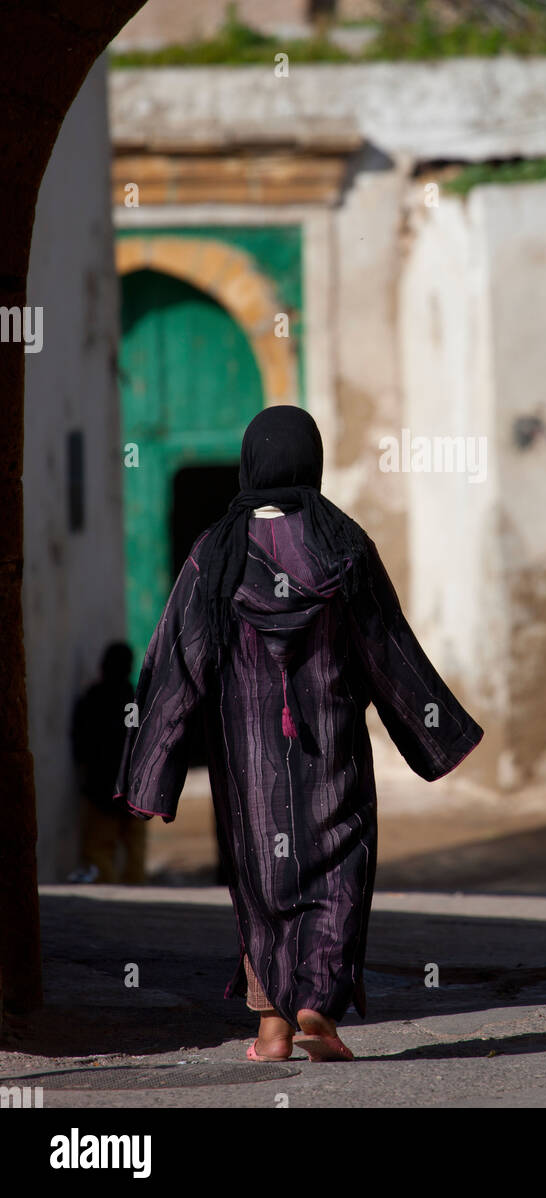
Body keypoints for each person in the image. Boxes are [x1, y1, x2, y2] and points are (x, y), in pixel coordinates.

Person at [114, 406, 484, 1062]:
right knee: (339, 868)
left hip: (247, 760)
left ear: (251, 462)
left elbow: (176, 662)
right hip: (332, 748)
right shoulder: (343, 545)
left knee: (264, 884)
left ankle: (271, 1030)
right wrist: (437, 731)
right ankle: (317, 1004)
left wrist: (152, 770)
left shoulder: (216, 554)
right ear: (309, 461)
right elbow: (387, 647)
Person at [71, 642, 147, 885]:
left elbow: (82, 744)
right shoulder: (134, 700)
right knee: (135, 855)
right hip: (133, 790)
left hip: (101, 791)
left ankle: (111, 901)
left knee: (98, 853)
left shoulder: (93, 699)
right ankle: (138, 900)